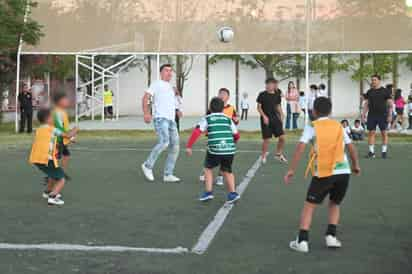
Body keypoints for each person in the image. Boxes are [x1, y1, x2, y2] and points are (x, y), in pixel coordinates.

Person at [284, 97, 360, 253]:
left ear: (314, 111)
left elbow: (300, 148)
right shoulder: (338, 125)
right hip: (343, 171)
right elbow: (351, 147)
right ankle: (331, 236)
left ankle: (302, 240)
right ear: (331, 111)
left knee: (309, 206)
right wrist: (356, 165)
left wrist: (291, 169)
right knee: (334, 203)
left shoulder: (312, 126)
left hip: (325, 172)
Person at [186, 97, 240, 204]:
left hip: (215, 149)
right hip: (229, 149)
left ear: (210, 107)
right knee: (227, 171)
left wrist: (189, 146)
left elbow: (197, 132)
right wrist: (232, 143)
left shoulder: (207, 118)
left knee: (208, 168)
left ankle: (208, 192)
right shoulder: (228, 118)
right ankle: (233, 193)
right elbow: (237, 135)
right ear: (222, 108)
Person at [29, 109, 78, 206]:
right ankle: (52, 197)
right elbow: (67, 135)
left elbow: (51, 138)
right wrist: (75, 129)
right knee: (61, 179)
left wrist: (69, 138)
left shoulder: (39, 129)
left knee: (52, 175)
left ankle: (47, 192)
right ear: (48, 119)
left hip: (36, 158)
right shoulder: (52, 129)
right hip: (47, 159)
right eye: (52, 117)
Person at [141, 64, 180, 183]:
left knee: (175, 147)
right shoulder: (156, 83)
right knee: (164, 142)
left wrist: (178, 110)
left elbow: (174, 102)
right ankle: (147, 165)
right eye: (166, 70)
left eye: (171, 71)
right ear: (161, 72)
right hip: (161, 119)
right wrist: (146, 113)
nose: (169, 73)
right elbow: (145, 98)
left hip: (171, 120)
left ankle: (168, 174)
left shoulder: (171, 87)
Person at [361, 75, 393, 159]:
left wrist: (390, 115)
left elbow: (390, 104)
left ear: (379, 80)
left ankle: (384, 152)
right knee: (371, 133)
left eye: (375, 80)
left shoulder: (385, 91)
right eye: (372, 80)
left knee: (384, 133)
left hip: (383, 115)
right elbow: (366, 104)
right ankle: (371, 152)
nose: (373, 81)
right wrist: (363, 115)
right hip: (372, 115)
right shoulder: (369, 91)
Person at [257, 78, 287, 164]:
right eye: (267, 84)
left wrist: (282, 114)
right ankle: (263, 156)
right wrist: (264, 116)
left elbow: (278, 106)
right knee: (267, 139)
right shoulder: (262, 94)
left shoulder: (277, 94)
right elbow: (259, 107)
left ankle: (278, 154)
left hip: (275, 118)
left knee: (282, 138)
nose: (268, 86)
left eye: (270, 84)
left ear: (274, 85)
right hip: (266, 119)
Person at [52, 93, 73, 178]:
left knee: (66, 155)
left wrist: (70, 136)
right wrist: (68, 136)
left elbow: (65, 125)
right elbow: (58, 127)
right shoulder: (57, 112)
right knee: (56, 157)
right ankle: (52, 175)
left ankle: (61, 173)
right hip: (58, 138)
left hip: (62, 138)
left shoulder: (62, 111)